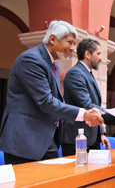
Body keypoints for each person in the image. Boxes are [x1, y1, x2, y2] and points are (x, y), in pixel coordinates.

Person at [0, 20, 104, 165]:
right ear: (53, 39)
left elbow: (56, 103)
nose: (73, 48)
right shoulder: (31, 59)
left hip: (47, 140)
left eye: (74, 44)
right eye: (70, 42)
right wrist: (84, 114)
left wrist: (86, 114)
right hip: (24, 141)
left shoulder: (52, 64)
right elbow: (46, 102)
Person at [61, 38, 111, 156]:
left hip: (92, 137)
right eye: (98, 54)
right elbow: (88, 105)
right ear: (87, 54)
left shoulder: (87, 73)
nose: (101, 58)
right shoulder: (76, 73)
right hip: (76, 139)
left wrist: (101, 133)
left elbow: (96, 105)